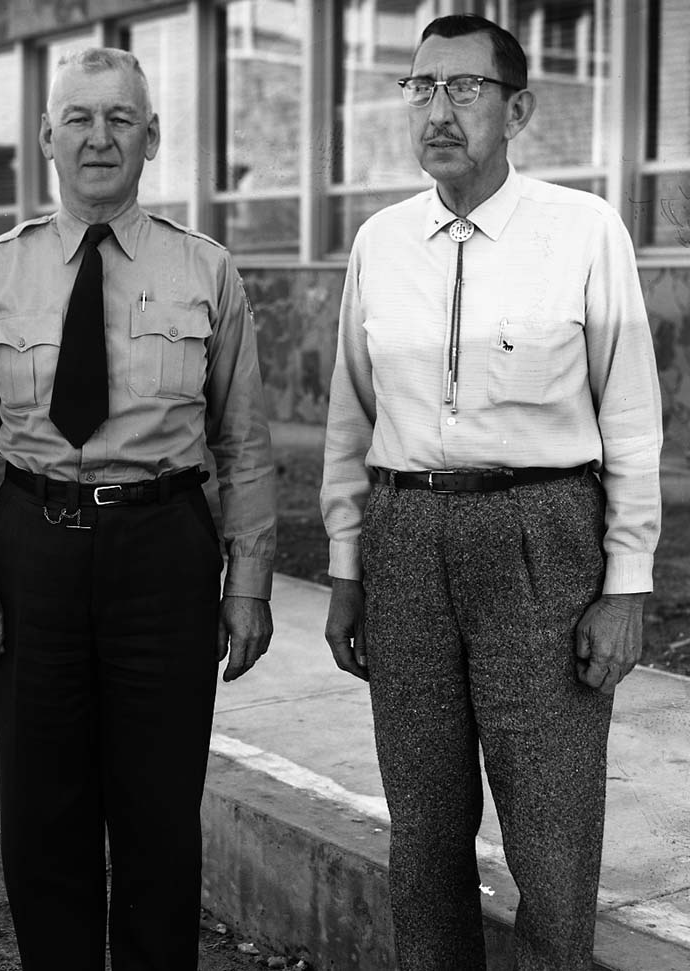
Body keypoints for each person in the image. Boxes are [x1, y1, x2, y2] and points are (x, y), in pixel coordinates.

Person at [321, 14, 662, 971]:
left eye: (464, 89)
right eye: (422, 88)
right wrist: (348, 568)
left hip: (541, 538)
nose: (439, 109)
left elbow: (631, 417)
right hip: (404, 537)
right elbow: (351, 418)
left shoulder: (585, 231)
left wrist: (625, 585)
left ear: (517, 109)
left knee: (551, 835)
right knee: (423, 828)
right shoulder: (380, 243)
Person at [0, 47, 276, 971]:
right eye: (78, 118)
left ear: (152, 137)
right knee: (44, 814)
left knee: (161, 812)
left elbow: (243, 444)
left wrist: (247, 584)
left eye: (120, 119)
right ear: (45, 135)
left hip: (162, 552)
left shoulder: (208, 271)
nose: (98, 137)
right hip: (32, 553)